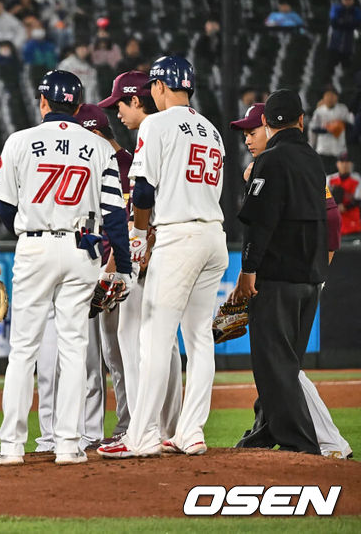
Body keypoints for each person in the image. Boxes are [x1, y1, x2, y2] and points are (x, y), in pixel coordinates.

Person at [0, 71, 131, 465]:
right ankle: (69, 444)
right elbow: (115, 213)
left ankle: (13, 446)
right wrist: (123, 266)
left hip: (35, 246)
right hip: (81, 248)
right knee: (74, 348)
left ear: (44, 102)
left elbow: (2, 204)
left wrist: (31, 222)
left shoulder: (20, 140)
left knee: (23, 349)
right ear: (77, 103)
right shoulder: (98, 146)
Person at [99, 56, 227, 458]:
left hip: (178, 235)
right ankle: (191, 432)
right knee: (199, 339)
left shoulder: (156, 123)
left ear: (157, 87)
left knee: (153, 337)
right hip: (214, 235)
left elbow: (143, 191)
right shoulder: (213, 131)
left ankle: (142, 436)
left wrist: (137, 234)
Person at [231, 102, 353, 459]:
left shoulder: (270, 163)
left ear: (268, 125)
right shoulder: (313, 161)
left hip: (279, 276)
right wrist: (319, 267)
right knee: (283, 366)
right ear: (301, 120)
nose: (248, 140)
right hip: (308, 277)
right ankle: (263, 433)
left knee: (278, 366)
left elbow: (259, 223)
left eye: (252, 132)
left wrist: (248, 270)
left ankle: (307, 444)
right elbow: (328, 219)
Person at [32, 102, 133, 453]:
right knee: (86, 357)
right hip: (81, 263)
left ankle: (123, 427)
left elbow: (126, 221)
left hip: (112, 266)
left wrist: (119, 267)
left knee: (117, 356)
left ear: (95, 133)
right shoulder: (84, 159)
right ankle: (81, 432)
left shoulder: (127, 164)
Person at [97, 71, 183, 443]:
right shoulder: (179, 132)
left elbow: (147, 198)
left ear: (136, 99)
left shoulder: (154, 131)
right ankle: (171, 429)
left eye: (119, 103)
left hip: (152, 251)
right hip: (174, 245)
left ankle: (141, 429)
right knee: (167, 343)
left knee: (133, 339)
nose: (116, 111)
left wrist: (137, 243)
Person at [309, 88, 353, 174]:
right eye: (328, 96)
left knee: (336, 175)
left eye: (332, 96)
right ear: (324, 98)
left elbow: (351, 124)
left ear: (337, 97)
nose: (330, 98)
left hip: (338, 149)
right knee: (323, 174)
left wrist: (340, 125)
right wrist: (328, 129)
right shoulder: (319, 111)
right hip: (323, 149)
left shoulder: (342, 109)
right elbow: (314, 128)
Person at [329, 152, 361, 237]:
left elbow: (358, 200)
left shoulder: (357, 179)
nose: (344, 164)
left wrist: (345, 207)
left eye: (347, 162)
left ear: (351, 164)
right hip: (334, 223)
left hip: (352, 222)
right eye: (342, 162)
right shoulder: (330, 179)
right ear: (337, 164)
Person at [328, 0, 361, 71]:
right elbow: (334, 22)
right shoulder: (336, 8)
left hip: (349, 46)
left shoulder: (356, 10)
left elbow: (357, 24)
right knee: (330, 66)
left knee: (347, 68)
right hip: (335, 44)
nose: (347, 0)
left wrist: (345, 23)